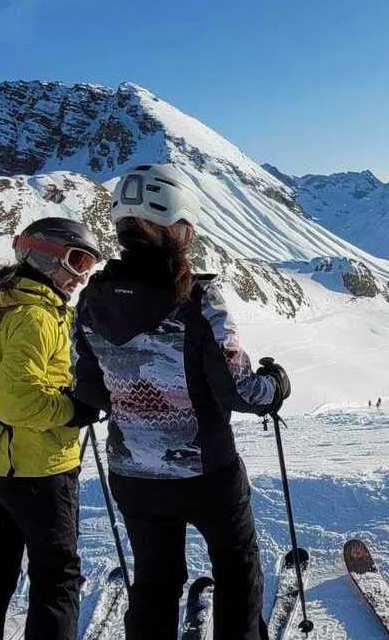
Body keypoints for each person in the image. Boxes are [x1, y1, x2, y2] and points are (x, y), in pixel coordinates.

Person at [72, 163, 289, 640]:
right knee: (237, 570)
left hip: (132, 471)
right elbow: (240, 391)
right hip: (208, 473)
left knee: (154, 582)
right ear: (176, 228)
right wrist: (276, 383)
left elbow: (87, 389)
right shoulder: (199, 300)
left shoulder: (91, 301)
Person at [0, 217, 103, 640]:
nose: (82, 275)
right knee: (56, 579)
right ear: (44, 255)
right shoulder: (35, 315)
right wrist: (74, 410)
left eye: (88, 264)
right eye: (77, 260)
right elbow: (18, 402)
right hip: (35, 471)